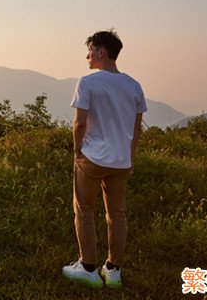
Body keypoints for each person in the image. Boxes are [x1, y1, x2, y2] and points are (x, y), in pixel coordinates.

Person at [62, 29, 147, 288]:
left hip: (93, 158)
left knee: (84, 211)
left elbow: (79, 124)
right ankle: (113, 270)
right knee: (116, 215)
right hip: (120, 162)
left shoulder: (87, 82)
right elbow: (136, 128)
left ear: (102, 52)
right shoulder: (134, 86)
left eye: (90, 50)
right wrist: (129, 158)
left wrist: (77, 151)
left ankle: (88, 267)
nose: (87, 56)